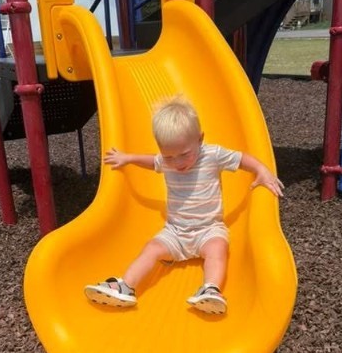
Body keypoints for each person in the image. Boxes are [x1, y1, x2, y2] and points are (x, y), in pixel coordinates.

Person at [84, 96, 284, 314]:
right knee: (151, 248)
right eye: (169, 156)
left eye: (184, 154)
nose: (177, 163)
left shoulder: (212, 155)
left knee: (218, 249)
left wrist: (262, 170)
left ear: (200, 139)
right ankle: (125, 286)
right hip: (176, 232)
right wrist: (128, 158)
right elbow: (152, 162)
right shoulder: (165, 160)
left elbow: (242, 159)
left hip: (208, 229)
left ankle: (211, 290)